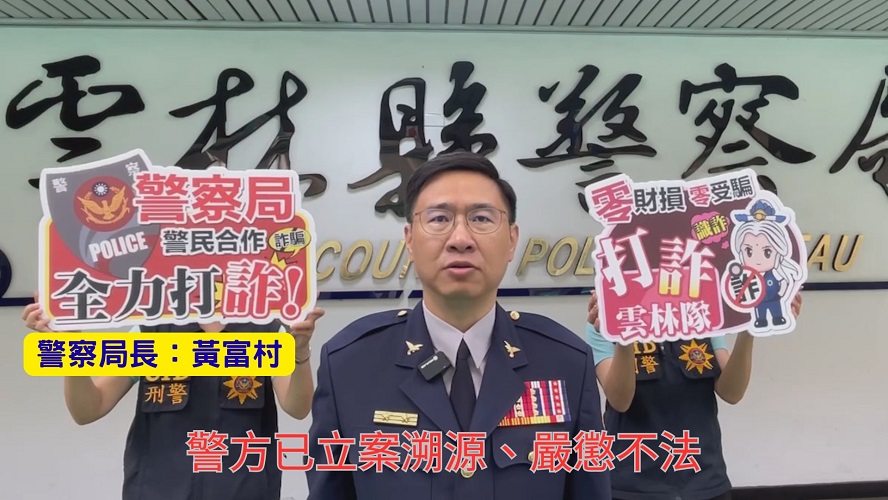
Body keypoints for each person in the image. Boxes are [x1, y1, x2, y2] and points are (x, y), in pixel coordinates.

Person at [305, 151, 611, 499]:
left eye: (481, 218)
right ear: (409, 239)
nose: (460, 238)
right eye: (439, 219)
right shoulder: (350, 365)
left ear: (512, 240)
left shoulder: (566, 362)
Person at [22, 291, 325, 500]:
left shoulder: (267, 331)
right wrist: (69, 348)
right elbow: (88, 410)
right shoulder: (151, 331)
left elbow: (298, 407)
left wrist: (299, 351)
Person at [585, 288, 802, 500]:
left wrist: (749, 330)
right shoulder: (606, 320)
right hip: (633, 485)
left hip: (705, 480)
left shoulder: (704, 315)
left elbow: (732, 392)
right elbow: (620, 400)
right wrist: (624, 337)